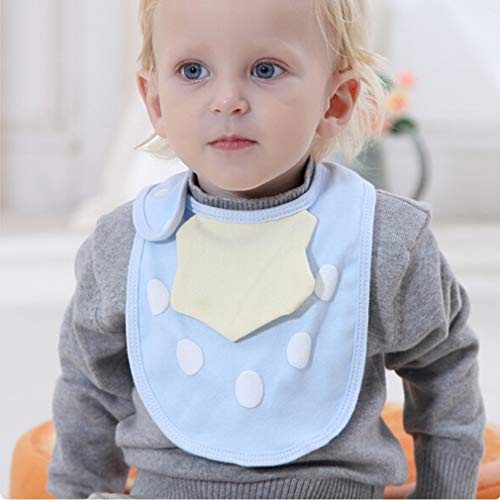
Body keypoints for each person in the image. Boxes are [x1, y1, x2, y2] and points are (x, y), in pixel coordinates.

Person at [46, 0, 486, 498]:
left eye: (265, 69)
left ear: (335, 102)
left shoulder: (383, 239)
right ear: (156, 102)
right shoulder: (123, 246)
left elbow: (446, 371)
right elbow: (88, 389)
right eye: (193, 71)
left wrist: (444, 492)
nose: (227, 100)